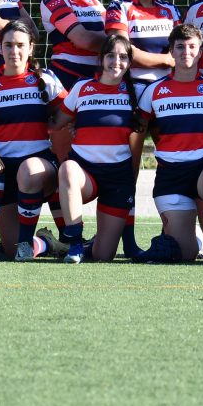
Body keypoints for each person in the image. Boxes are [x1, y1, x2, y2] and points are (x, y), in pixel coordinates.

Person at [0, 21, 70, 262]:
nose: (14, 51)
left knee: (28, 169)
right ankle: (45, 242)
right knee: (8, 250)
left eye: (21, 45)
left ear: (31, 48)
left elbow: (69, 112)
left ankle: (26, 245)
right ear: (0, 48)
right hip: (4, 171)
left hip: (40, 167)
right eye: (8, 45)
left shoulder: (45, 79)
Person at [138, 23, 203, 262]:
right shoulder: (153, 91)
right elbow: (137, 129)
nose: (186, 52)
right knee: (185, 254)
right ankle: (196, 240)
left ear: (200, 51)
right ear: (171, 51)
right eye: (180, 47)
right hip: (171, 175)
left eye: (192, 46)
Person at [53, 34, 144, 263]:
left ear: (130, 62)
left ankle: (59, 244)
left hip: (117, 177)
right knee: (67, 169)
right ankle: (74, 243)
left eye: (123, 57)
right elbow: (56, 123)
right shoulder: (82, 88)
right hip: (85, 173)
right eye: (111, 55)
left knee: (103, 256)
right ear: (101, 59)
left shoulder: (138, 92)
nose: (116, 61)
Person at [105, 0, 180, 85]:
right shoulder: (118, 6)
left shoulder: (170, 9)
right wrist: (167, 60)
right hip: (131, 86)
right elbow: (123, 51)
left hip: (168, 87)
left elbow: (182, 47)